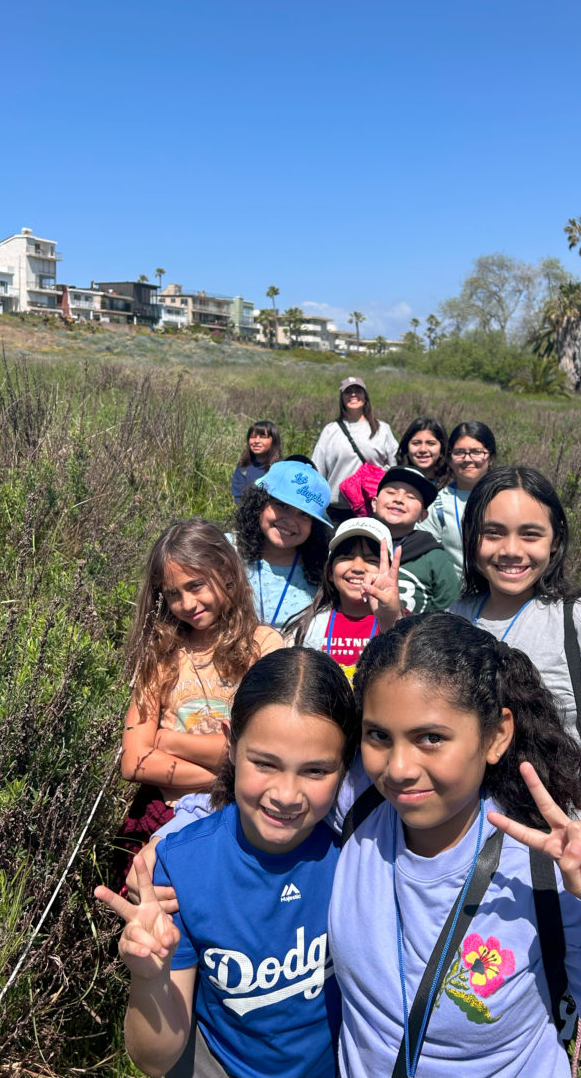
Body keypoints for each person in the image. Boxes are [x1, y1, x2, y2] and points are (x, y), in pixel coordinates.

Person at [328, 614, 581, 1078]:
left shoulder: (548, 873)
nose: (399, 767)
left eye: (431, 738)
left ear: (497, 735)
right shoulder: (354, 808)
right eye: (378, 735)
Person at [96, 648, 358, 1078]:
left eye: (315, 771)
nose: (286, 794)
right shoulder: (180, 868)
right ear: (230, 744)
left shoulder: (356, 854)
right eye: (265, 763)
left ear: (346, 766)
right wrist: (150, 979)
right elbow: (153, 1059)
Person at [449, 466, 581, 859]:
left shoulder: (580, 619)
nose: (511, 550)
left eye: (530, 534)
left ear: (555, 540)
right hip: (469, 848)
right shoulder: (455, 618)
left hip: (570, 850)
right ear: (471, 538)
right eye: (493, 533)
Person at [118, 520, 283, 872]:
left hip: (238, 818)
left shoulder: (263, 646)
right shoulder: (160, 654)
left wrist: (166, 740)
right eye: (173, 594)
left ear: (225, 572)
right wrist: (226, 776)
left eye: (195, 586)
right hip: (164, 815)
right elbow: (134, 762)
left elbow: (264, 747)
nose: (186, 603)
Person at [287, 518, 403, 681]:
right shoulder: (308, 626)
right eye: (346, 557)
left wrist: (392, 620)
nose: (357, 568)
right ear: (329, 572)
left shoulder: (403, 621)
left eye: (371, 560)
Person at [233, 461, 333, 632]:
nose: (290, 520)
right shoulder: (228, 551)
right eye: (282, 505)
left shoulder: (323, 572)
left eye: (304, 514)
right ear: (259, 503)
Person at [370, 465, 459, 613]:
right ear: (374, 503)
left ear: (423, 516)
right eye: (391, 492)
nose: (399, 499)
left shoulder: (435, 557)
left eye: (411, 497)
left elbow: (450, 610)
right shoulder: (355, 545)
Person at [311, 377, 397, 525]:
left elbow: (395, 465)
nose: (353, 395)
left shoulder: (382, 429)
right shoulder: (330, 430)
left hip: (373, 510)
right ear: (342, 398)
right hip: (337, 511)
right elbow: (317, 470)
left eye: (358, 391)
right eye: (348, 392)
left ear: (365, 396)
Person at [425, 420, 497, 580]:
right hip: (456, 598)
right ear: (450, 459)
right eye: (459, 452)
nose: (468, 459)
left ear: (490, 458)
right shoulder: (438, 504)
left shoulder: (507, 498)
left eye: (477, 452)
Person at [231, 421, 282, 504]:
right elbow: (239, 501)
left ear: (274, 441)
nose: (256, 441)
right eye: (253, 437)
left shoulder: (281, 470)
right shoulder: (242, 470)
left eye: (263, 437)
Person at [395, 417, 452, 489]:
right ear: (406, 448)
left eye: (431, 443)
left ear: (442, 449)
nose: (423, 449)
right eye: (416, 443)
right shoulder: (394, 483)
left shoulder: (454, 487)